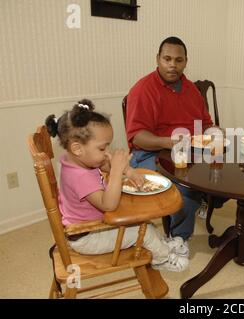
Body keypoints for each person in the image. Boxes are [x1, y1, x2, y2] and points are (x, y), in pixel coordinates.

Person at [45, 99, 189, 272]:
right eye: (102, 149)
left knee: (144, 222)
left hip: (92, 226)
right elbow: (108, 204)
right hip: (87, 237)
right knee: (143, 232)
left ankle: (162, 244)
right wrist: (116, 172)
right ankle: (162, 259)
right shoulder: (80, 176)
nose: (107, 153)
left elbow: (105, 165)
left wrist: (127, 171)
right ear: (77, 148)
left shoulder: (78, 160)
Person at [125, 36, 214, 245]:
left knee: (225, 170)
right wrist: (169, 142)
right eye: (167, 59)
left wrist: (215, 131)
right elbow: (137, 136)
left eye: (179, 60)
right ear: (158, 59)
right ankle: (178, 240)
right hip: (151, 153)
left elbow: (206, 124)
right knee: (186, 186)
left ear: (186, 61)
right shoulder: (142, 89)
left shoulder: (192, 89)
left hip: (191, 150)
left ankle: (204, 201)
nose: (173, 65)